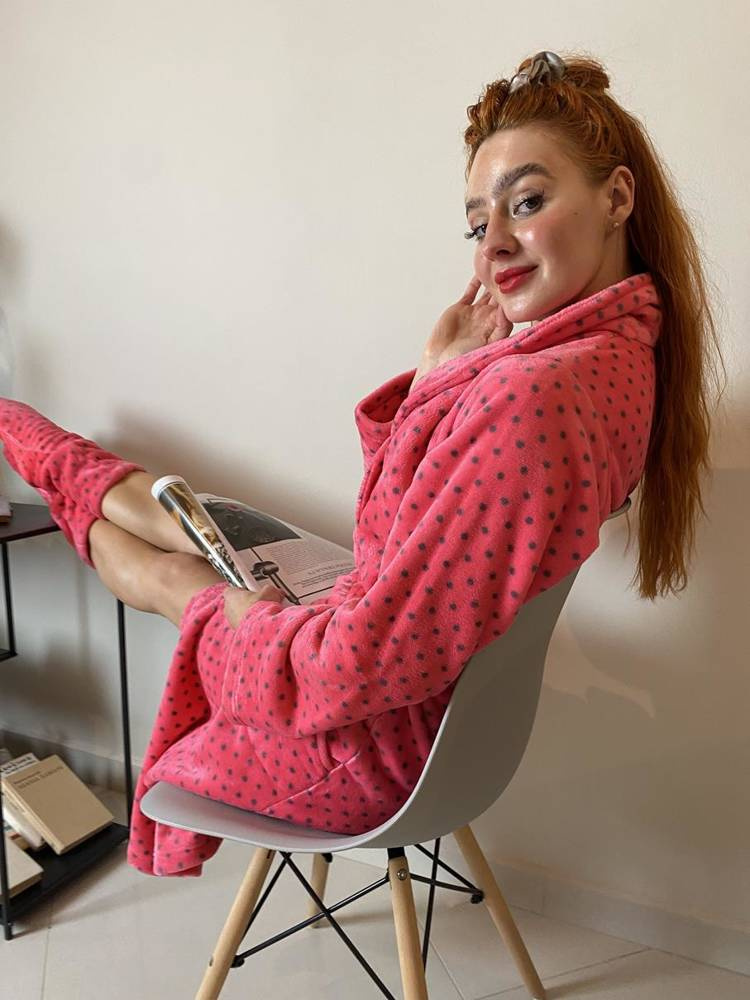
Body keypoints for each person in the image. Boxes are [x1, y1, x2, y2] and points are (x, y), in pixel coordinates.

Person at [0, 51, 724, 876]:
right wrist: (436, 374)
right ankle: (32, 443)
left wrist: (242, 623)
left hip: (367, 747)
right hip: (418, 693)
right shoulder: (620, 359)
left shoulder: (538, 393)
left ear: (617, 197)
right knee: (183, 515)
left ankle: (22, 439)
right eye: (477, 225)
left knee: (169, 573)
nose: (494, 245)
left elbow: (361, 667)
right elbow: (411, 527)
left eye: (526, 203)